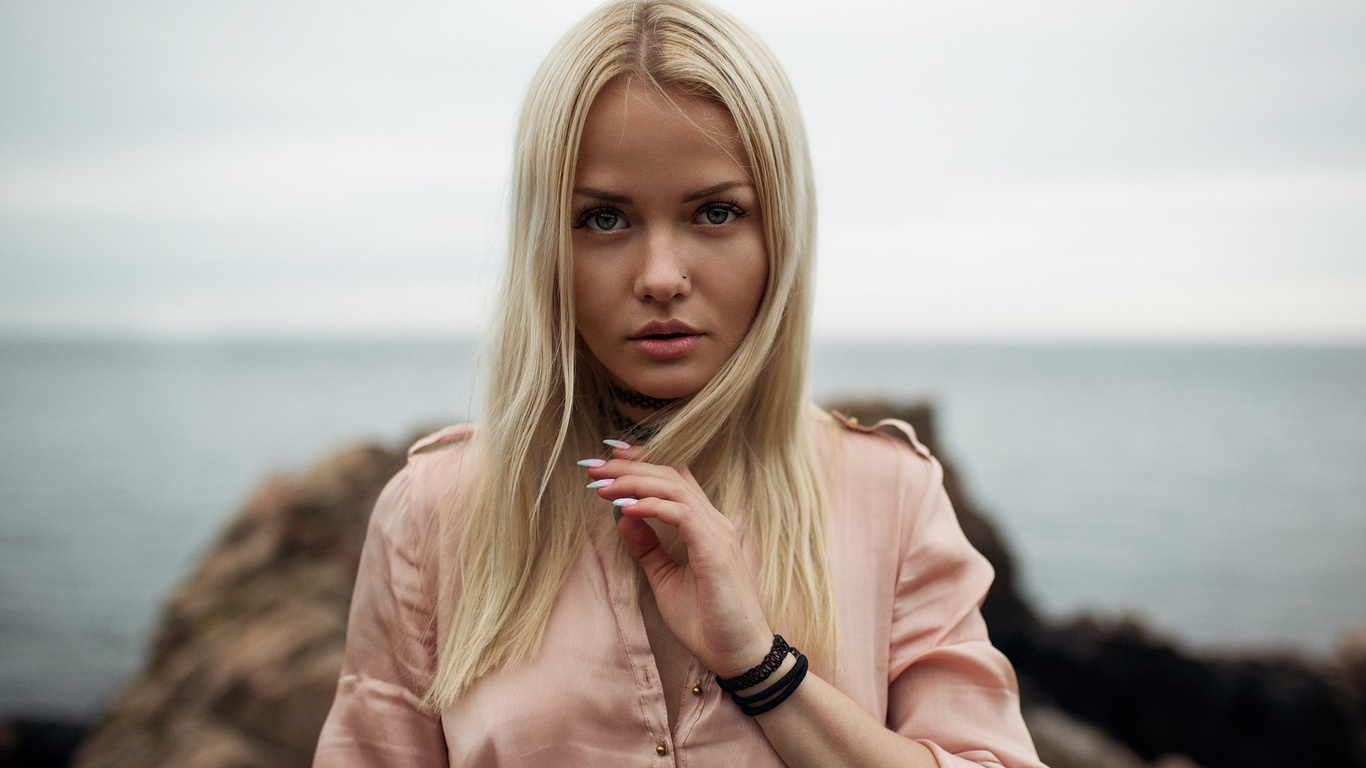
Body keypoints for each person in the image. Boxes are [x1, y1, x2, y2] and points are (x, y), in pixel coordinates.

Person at [314, 1, 1045, 766]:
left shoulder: (888, 495)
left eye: (717, 212)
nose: (662, 278)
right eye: (603, 219)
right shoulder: (435, 511)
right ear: (545, 245)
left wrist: (762, 666)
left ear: (781, 232)